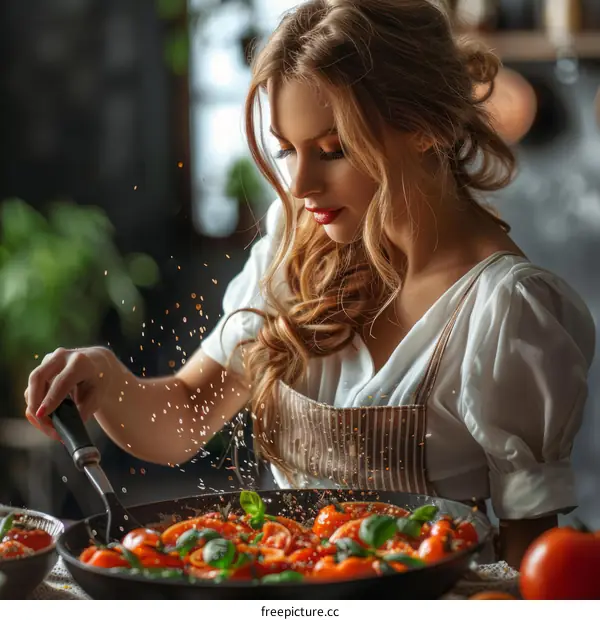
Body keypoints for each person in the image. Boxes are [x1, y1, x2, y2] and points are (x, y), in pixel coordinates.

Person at [25, 0, 595, 568]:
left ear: (424, 127)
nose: (299, 185)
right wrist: (105, 378)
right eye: (286, 150)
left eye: (332, 150)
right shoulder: (295, 249)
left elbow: (531, 561)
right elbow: (189, 413)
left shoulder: (507, 309)